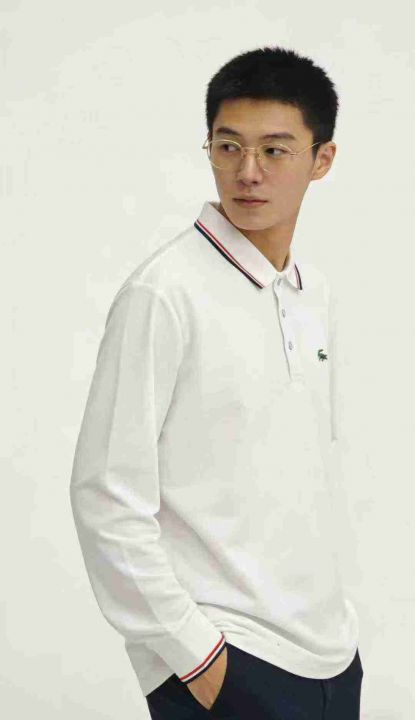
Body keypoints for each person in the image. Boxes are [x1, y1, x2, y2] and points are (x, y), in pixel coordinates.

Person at [70, 45, 364, 719]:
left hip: (329, 657)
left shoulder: (311, 292)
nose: (247, 172)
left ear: (322, 159)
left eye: (274, 150)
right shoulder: (163, 294)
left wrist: (341, 634)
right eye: (228, 147)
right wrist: (196, 659)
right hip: (226, 664)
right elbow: (106, 494)